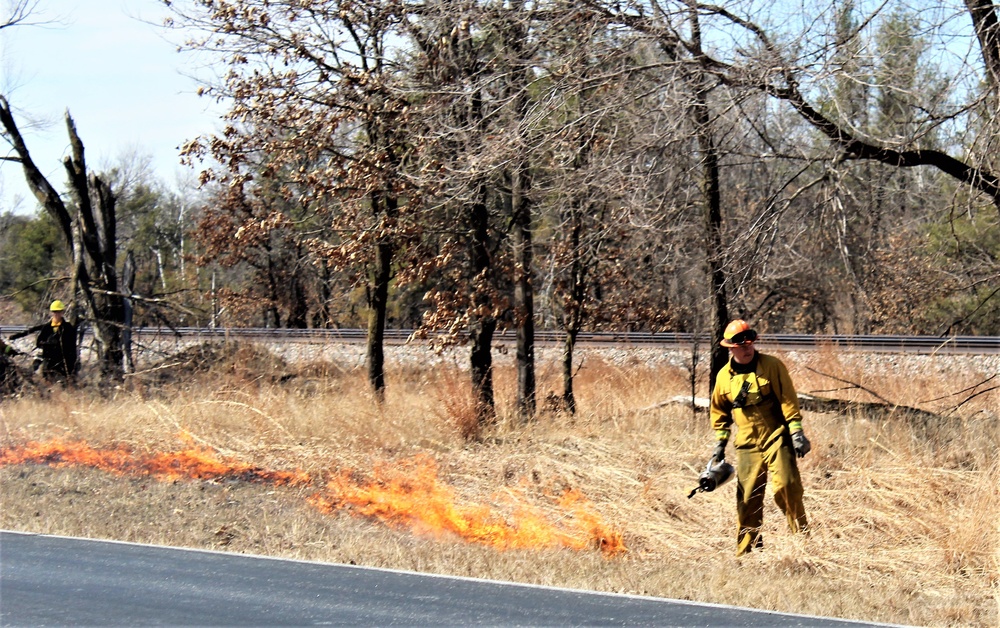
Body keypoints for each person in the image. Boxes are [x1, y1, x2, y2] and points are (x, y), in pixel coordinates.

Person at [708, 319, 811, 556]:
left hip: (777, 436)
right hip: (747, 443)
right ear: (730, 348)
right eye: (741, 346)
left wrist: (796, 432)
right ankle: (747, 550)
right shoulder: (724, 377)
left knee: (787, 486)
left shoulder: (772, 366)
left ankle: (803, 542)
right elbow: (719, 412)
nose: (746, 349)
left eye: (749, 344)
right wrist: (720, 443)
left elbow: (788, 399)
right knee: (747, 497)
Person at [10, 300, 78, 383]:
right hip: (49, 361)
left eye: (59, 311)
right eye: (54, 312)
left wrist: (72, 364)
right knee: (49, 383)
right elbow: (38, 342)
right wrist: (47, 344)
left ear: (62, 312)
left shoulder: (68, 328)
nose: (56, 314)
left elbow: (71, 347)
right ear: (51, 312)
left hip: (64, 362)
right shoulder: (46, 328)